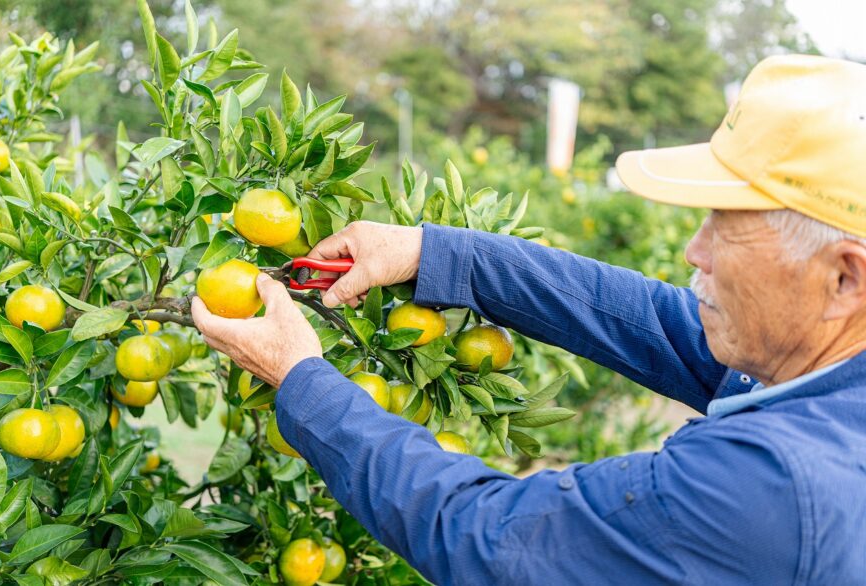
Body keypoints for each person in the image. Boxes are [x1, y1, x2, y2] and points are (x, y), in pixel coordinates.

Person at [192, 54, 866, 585]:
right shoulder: (825, 369)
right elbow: (640, 316)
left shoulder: (772, 485)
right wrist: (430, 252)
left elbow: (492, 538)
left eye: (729, 233)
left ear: (845, 277)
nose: (695, 252)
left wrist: (302, 379)